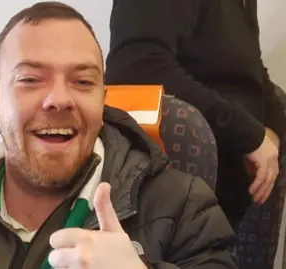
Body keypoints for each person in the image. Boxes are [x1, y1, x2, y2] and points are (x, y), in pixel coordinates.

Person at [0, 2, 238, 268]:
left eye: (83, 82)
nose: (59, 99)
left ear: (102, 102)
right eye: (30, 80)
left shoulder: (185, 209)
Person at [104, 0, 283, 228]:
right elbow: (136, 69)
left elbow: (252, 72)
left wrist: (271, 133)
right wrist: (247, 134)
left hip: (233, 194)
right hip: (174, 199)